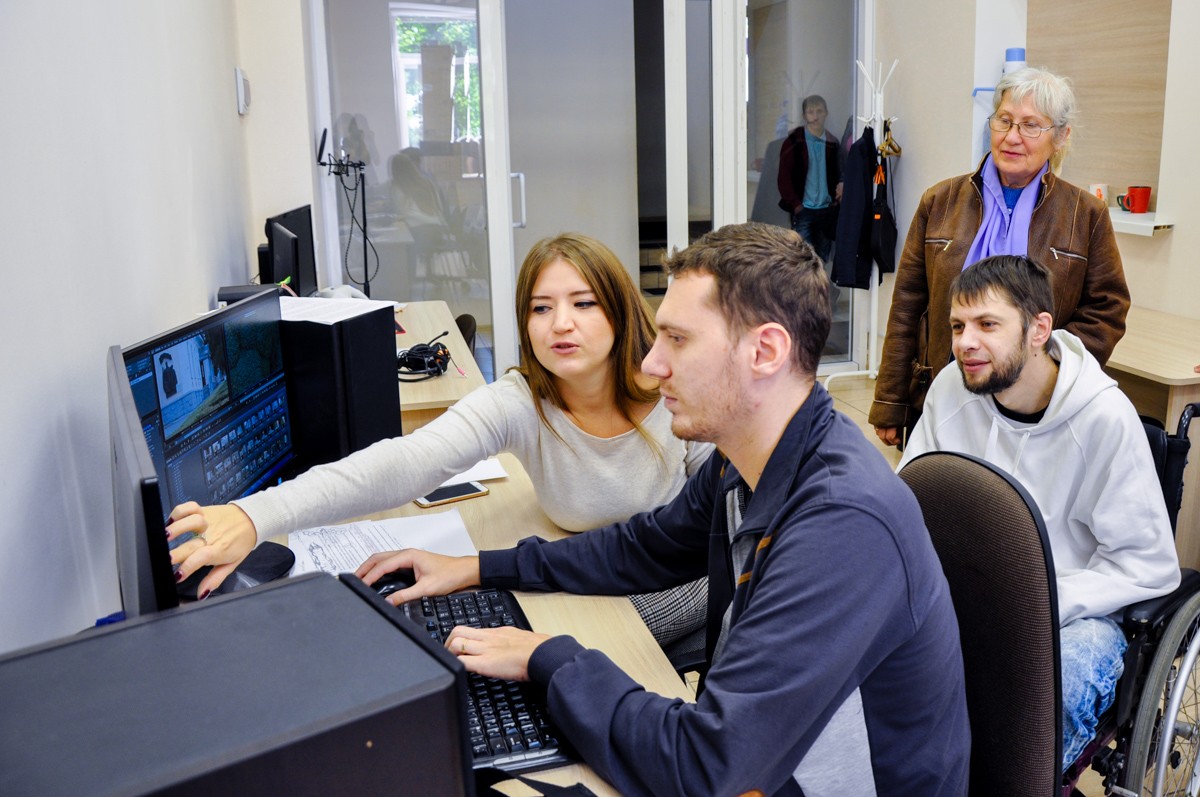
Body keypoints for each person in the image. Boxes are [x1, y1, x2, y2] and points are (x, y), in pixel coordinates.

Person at [360, 222, 970, 796]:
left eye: (677, 339)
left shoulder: (842, 524)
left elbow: (708, 768)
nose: (652, 363)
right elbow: (645, 547)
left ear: (765, 351)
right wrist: (480, 568)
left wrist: (551, 659)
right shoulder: (748, 459)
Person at [167, 233, 714, 646]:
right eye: (541, 308)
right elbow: (406, 461)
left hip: (672, 585)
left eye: (584, 303)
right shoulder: (523, 401)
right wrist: (255, 515)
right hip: (579, 573)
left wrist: (587, 633)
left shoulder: (675, 396)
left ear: (619, 310)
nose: (560, 324)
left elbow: (721, 548)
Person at [899, 254, 1179, 769]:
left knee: (1046, 696)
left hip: (1076, 614)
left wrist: (1036, 602)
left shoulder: (1104, 420)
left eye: (987, 324)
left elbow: (1147, 565)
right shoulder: (951, 389)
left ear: (1038, 330)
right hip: (967, 593)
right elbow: (912, 502)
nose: (964, 343)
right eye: (958, 326)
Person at [871, 66, 1129, 447]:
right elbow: (908, 305)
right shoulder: (940, 202)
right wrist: (891, 401)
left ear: (1060, 137)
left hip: (1036, 409)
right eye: (1004, 121)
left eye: (1030, 126)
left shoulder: (1085, 214)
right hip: (944, 393)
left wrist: (1045, 366)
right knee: (938, 483)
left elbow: (1108, 309)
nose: (1011, 137)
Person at [777, 94, 843, 265]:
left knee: (822, 261)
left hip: (826, 210)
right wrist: (796, 205)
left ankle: (821, 284)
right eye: (811, 112)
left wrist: (835, 202)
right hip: (803, 210)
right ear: (804, 115)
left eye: (819, 111)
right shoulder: (794, 141)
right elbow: (784, 177)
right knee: (801, 261)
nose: (815, 116)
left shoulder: (833, 143)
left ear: (826, 113)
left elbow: (839, 174)